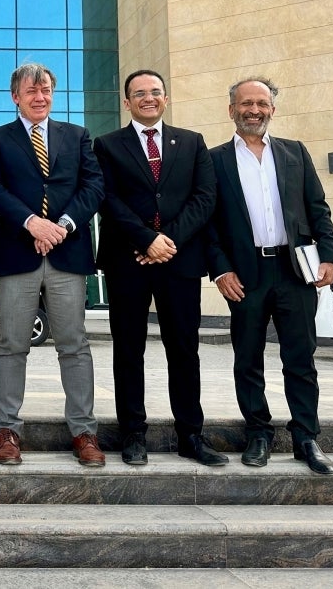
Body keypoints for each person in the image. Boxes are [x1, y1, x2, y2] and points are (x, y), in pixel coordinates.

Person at [94, 70, 227, 466]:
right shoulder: (107, 145)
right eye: (139, 93)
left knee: (184, 350)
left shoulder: (191, 142)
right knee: (129, 351)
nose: (147, 98)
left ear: (165, 98)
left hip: (179, 260)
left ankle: (191, 435)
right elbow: (107, 199)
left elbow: (205, 198)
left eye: (155, 92)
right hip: (127, 261)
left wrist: (167, 241)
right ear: (127, 101)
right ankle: (133, 435)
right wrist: (145, 240)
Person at [209, 77, 333, 475]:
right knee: (247, 359)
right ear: (231, 109)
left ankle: (306, 438)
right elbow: (209, 225)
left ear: (272, 109)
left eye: (261, 104)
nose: (254, 110)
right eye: (246, 103)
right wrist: (220, 270)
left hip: (294, 270)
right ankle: (259, 435)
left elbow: (318, 209)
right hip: (245, 274)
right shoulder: (214, 160)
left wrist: (331, 257)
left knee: (300, 358)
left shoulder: (294, 153)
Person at [0, 63, 106, 467]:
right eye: (31, 90)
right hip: (18, 253)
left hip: (68, 253)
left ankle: (84, 432)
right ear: (15, 96)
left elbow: (94, 185)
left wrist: (62, 225)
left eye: (46, 89)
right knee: (12, 345)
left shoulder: (77, 136)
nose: (40, 97)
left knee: (74, 345)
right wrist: (32, 222)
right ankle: (8, 430)